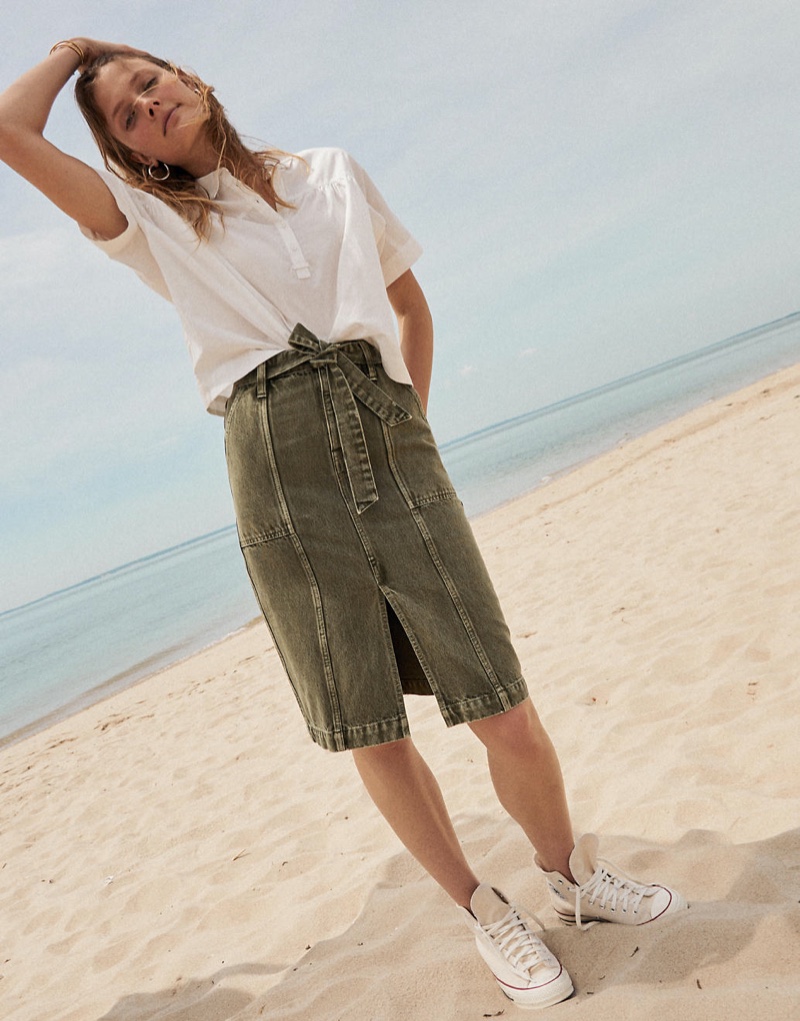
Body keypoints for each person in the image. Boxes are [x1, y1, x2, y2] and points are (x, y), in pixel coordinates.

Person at [0, 39, 687, 1010]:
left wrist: (411, 424)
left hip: (385, 430)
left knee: (501, 703)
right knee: (370, 722)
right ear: (131, 152)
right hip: (273, 456)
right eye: (122, 115)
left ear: (192, 78)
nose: (145, 106)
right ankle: (481, 907)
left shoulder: (328, 172)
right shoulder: (145, 220)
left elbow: (409, 305)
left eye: (149, 82)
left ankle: (570, 874)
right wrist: (76, 51)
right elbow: (7, 131)